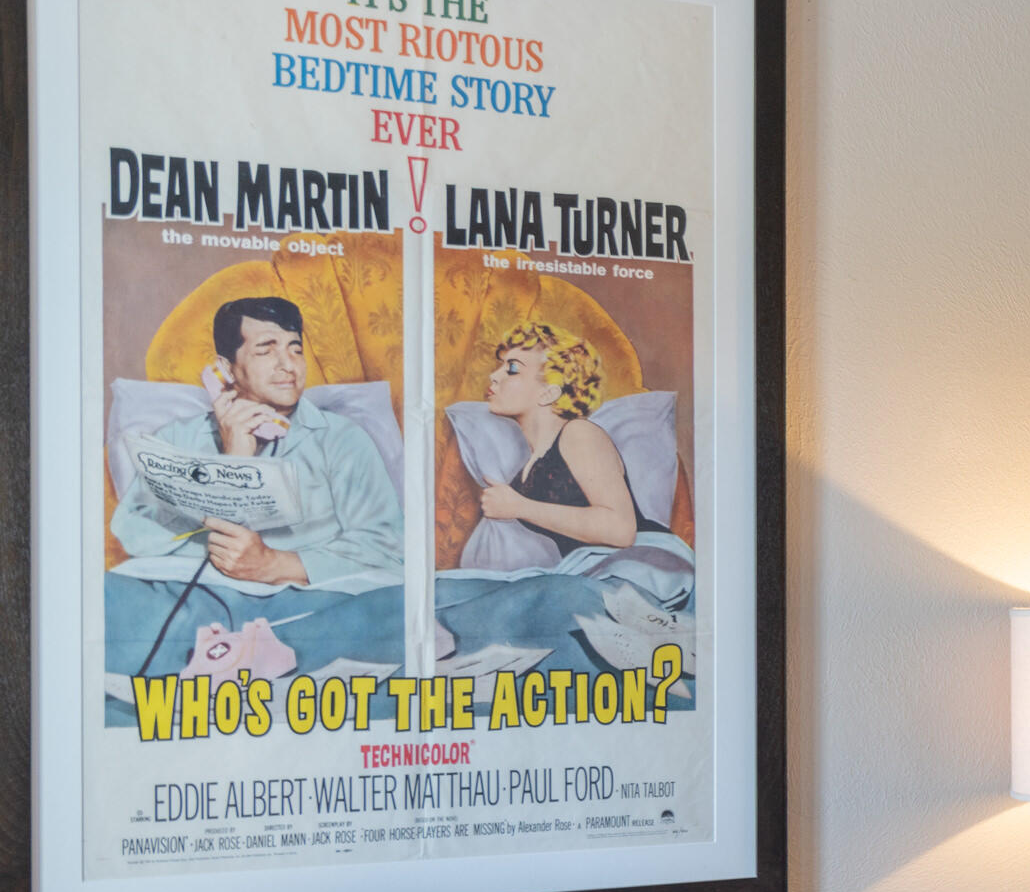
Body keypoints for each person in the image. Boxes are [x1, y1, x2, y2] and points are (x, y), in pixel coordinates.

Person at [105, 296, 403, 691]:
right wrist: (230, 463)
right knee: (107, 601)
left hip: (309, 602)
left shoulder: (342, 439)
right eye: (266, 349)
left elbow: (388, 546)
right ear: (226, 369)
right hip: (201, 601)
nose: (288, 365)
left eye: (295, 348)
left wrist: (275, 564)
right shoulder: (179, 438)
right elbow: (134, 535)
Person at [471, 322, 674, 553]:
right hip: (586, 568)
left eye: (513, 368)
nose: (493, 376)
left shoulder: (579, 434)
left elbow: (621, 530)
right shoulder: (529, 465)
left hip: (638, 562)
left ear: (548, 393)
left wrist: (520, 507)